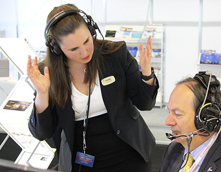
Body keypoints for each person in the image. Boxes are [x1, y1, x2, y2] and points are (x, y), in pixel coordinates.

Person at [27, 4, 159, 172]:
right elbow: (41, 133)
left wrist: (146, 75)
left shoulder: (115, 54)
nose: (84, 52)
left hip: (130, 155)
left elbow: (144, 104)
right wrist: (42, 93)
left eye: (86, 41)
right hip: (83, 163)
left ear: (92, 30)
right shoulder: (47, 73)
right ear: (56, 48)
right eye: (74, 49)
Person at [160, 71, 221, 172]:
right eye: (169, 112)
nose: (168, 122)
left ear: (206, 117)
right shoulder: (174, 149)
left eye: (178, 114)